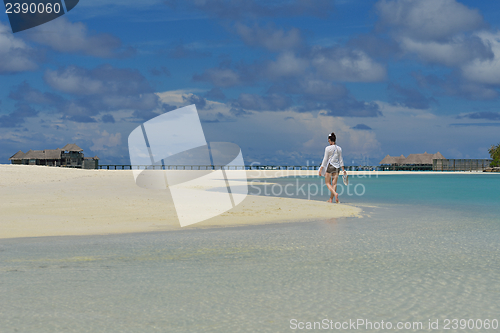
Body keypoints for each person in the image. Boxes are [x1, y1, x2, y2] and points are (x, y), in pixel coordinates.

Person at [318, 132, 347, 203]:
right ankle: (331, 199)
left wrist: (321, 168)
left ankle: (335, 194)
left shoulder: (328, 148)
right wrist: (343, 169)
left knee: (327, 182)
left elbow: (325, 159)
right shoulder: (339, 148)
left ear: (329, 140)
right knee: (334, 184)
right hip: (337, 167)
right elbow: (341, 159)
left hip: (330, 166)